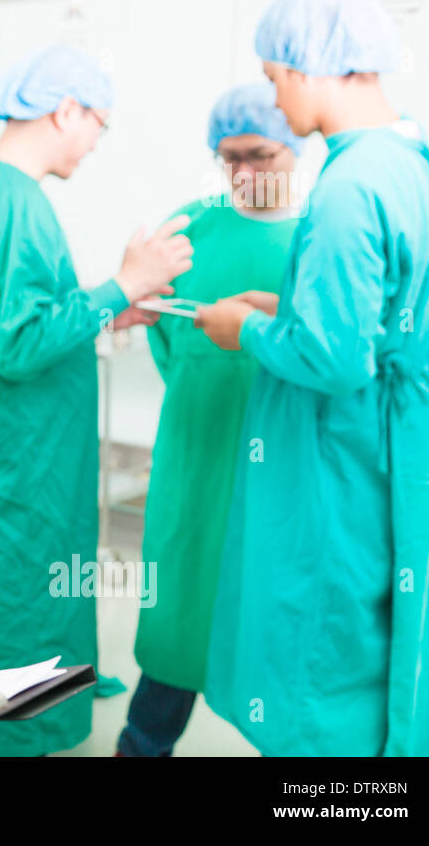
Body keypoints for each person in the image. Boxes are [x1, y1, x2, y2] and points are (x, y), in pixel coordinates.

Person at [195, 0, 429, 756]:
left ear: (308, 66)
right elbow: (383, 324)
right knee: (382, 643)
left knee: (320, 655)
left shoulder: (347, 186)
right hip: (399, 447)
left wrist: (245, 329)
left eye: (275, 78)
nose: (275, 101)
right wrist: (288, 309)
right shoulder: (417, 163)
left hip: (337, 461)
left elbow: (336, 359)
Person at [0, 44, 194, 756]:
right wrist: (123, 285)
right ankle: (1, 738)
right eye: (98, 124)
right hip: (14, 468)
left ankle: (31, 707)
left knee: (12, 599)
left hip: (8, 456)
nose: (97, 143)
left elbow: (29, 318)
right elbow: (14, 344)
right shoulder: (10, 197)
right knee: (11, 604)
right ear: (64, 109)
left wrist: (111, 313)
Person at [117, 83, 302, 756]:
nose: (243, 175)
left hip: (285, 469)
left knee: (277, 627)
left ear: (298, 141)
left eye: (259, 156)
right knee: (180, 621)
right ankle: (141, 743)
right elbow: (168, 340)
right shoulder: (190, 230)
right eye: (229, 160)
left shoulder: (317, 246)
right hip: (196, 456)